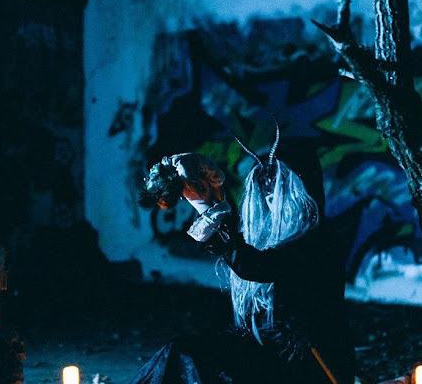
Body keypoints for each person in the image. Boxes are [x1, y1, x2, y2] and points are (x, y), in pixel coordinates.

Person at [134, 132, 356, 384]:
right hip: (273, 355)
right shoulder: (278, 237)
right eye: (263, 184)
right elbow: (245, 252)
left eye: (276, 185)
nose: (267, 194)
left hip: (308, 367)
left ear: (298, 190)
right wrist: (206, 200)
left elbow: (257, 265)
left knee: (190, 357)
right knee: (183, 353)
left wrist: (210, 213)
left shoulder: (316, 240)